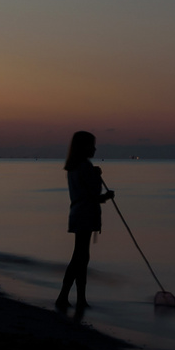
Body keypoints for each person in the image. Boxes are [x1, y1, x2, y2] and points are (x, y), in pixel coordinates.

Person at [57, 130, 113, 312]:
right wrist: (105, 193)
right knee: (80, 257)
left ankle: (73, 297)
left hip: (77, 213)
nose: (95, 148)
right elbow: (92, 194)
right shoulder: (84, 167)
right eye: (92, 145)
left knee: (80, 256)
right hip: (85, 214)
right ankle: (71, 297)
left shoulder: (73, 167)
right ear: (84, 147)